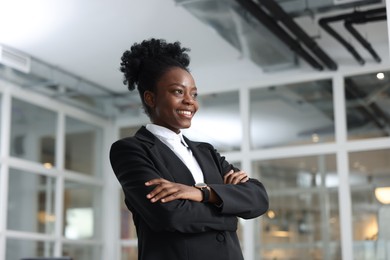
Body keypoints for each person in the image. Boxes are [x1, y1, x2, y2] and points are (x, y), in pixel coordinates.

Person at [109, 38, 269, 260]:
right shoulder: (130, 150)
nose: (190, 102)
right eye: (178, 92)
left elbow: (258, 199)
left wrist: (202, 193)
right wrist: (229, 212)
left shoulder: (206, 152)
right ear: (151, 98)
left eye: (193, 94)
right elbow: (170, 216)